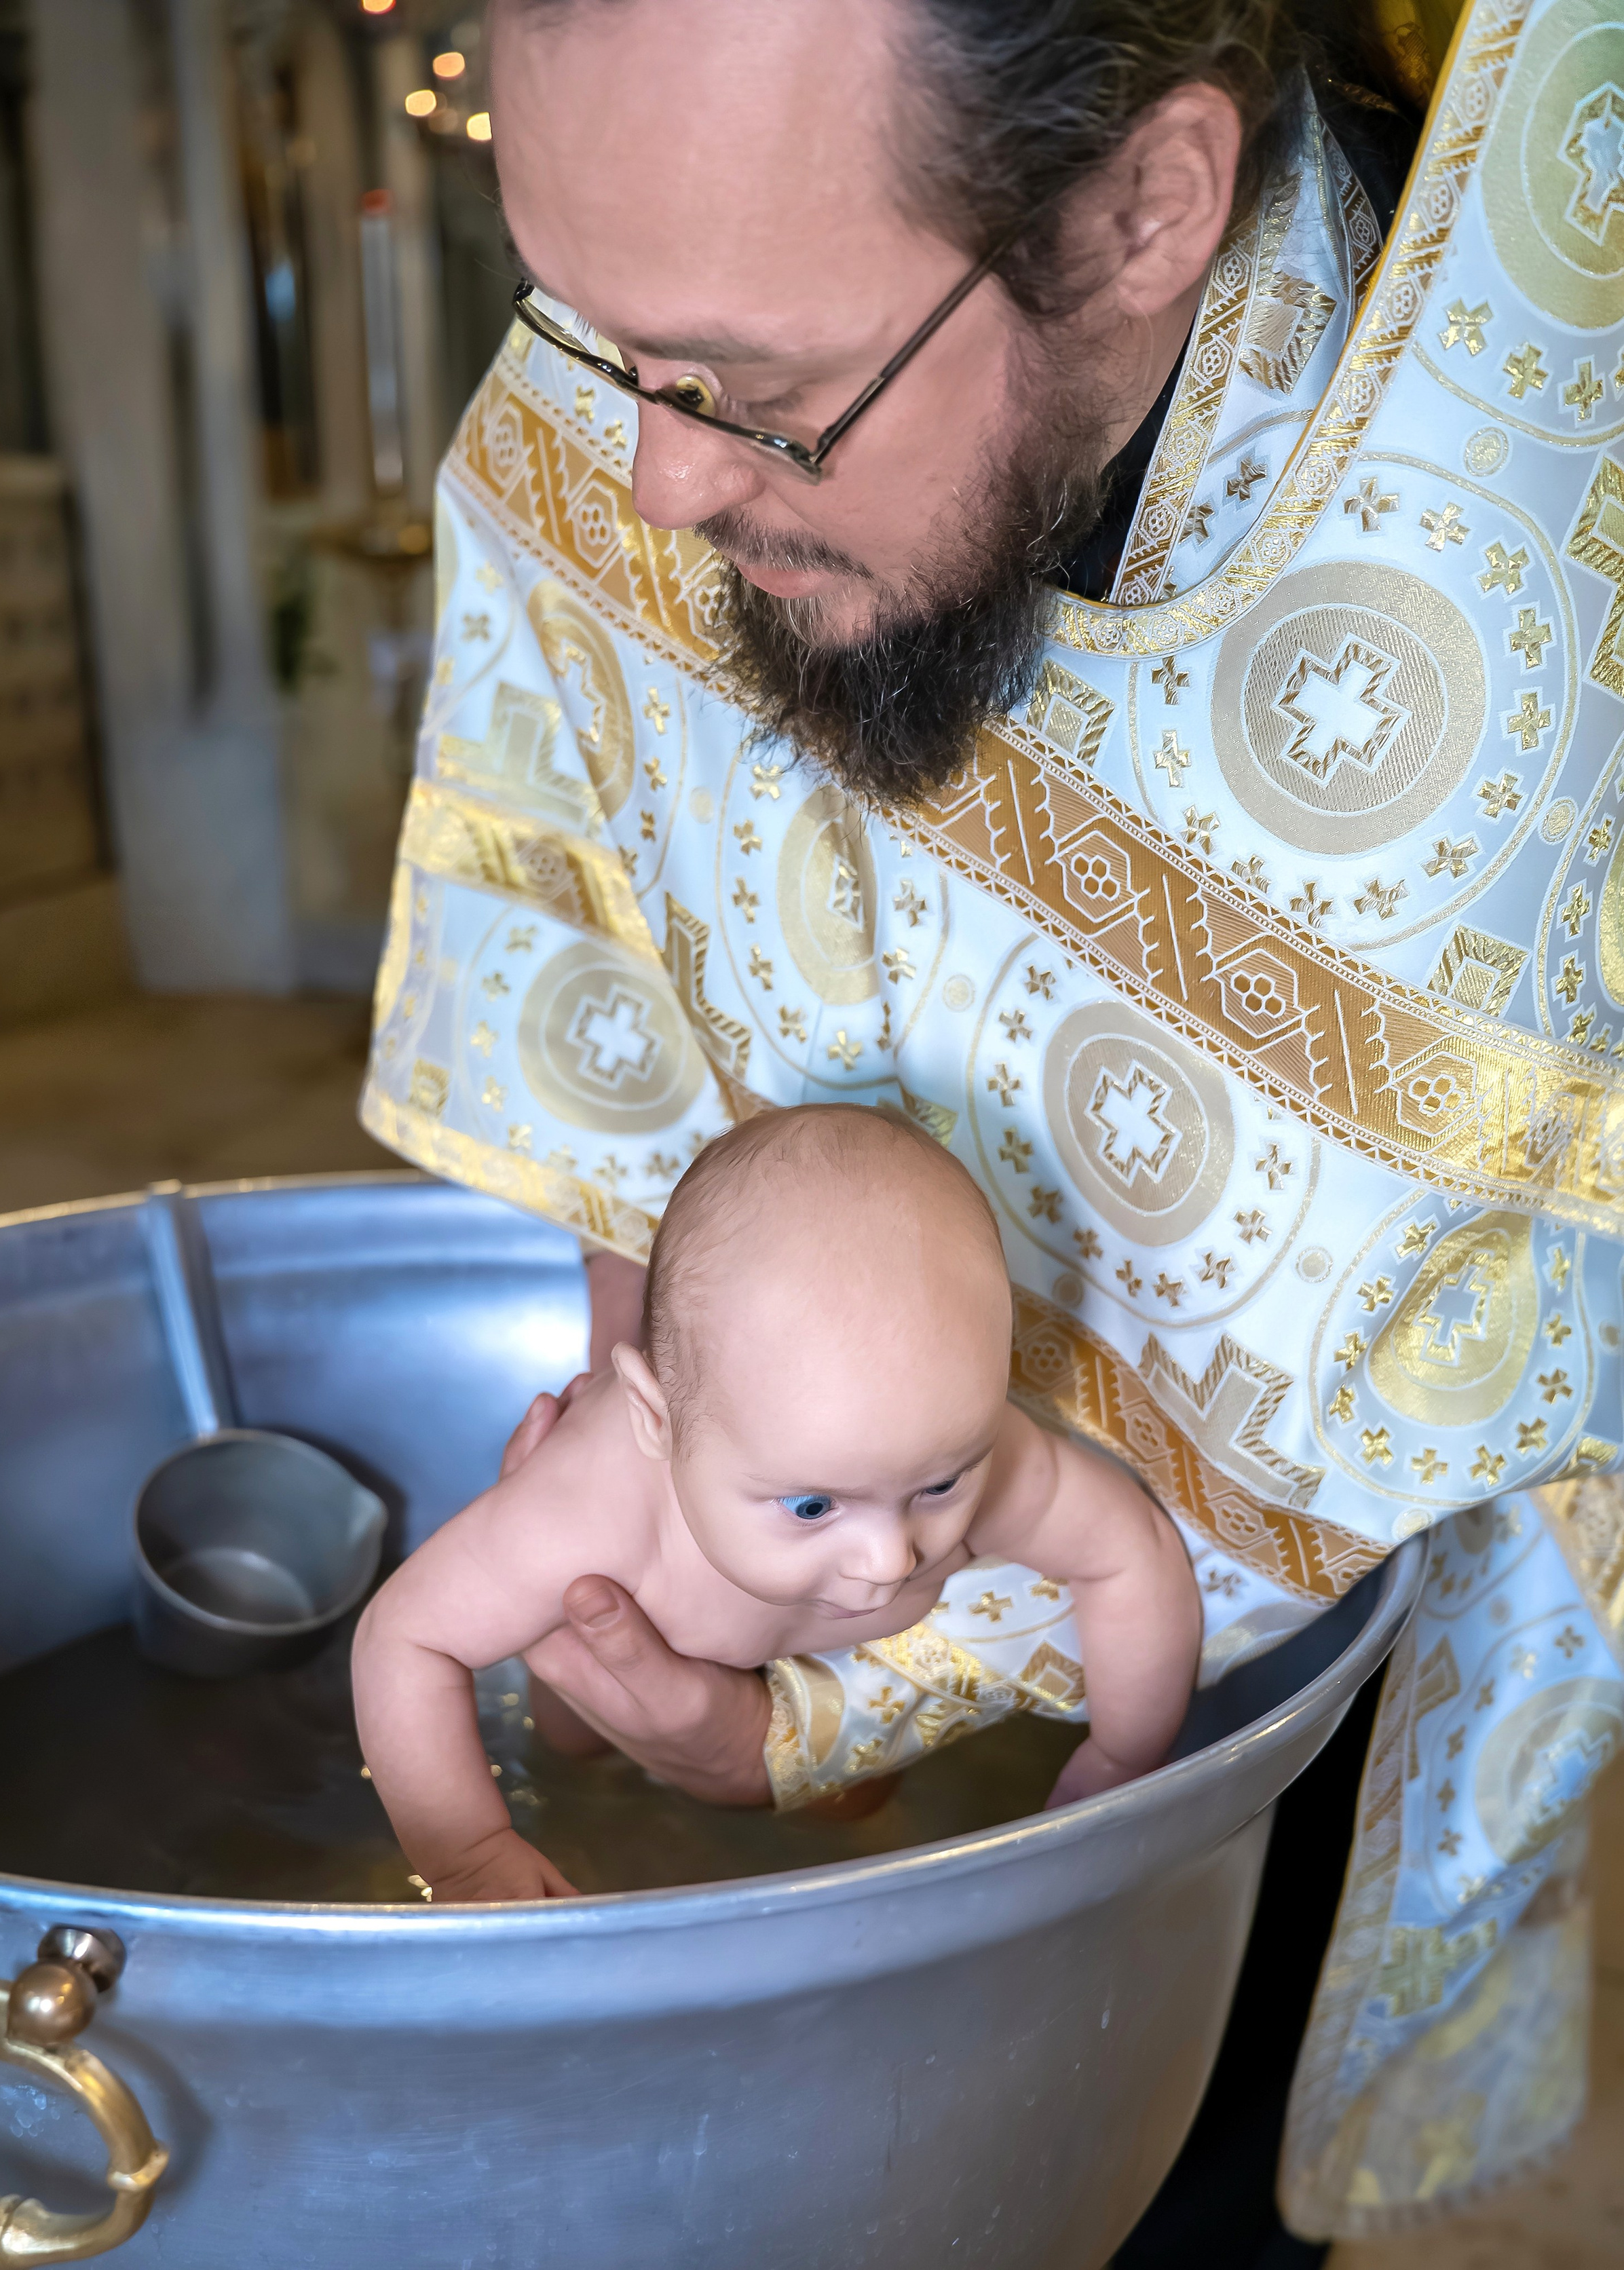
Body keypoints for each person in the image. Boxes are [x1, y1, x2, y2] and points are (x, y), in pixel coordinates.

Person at [360, 0, 1624, 2254]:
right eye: (598, 330)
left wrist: (827, 1713)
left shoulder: (1489, 633)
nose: (661, 479)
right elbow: (598, 876)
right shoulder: (664, 364)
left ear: (1144, 212)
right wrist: (660, 1481)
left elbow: (1301, 1436)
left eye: (757, 395)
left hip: (1251, 1724)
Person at [354, 1105, 1199, 1901]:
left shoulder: (979, 1453)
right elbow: (406, 1637)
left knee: (851, 1790)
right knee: (574, 1714)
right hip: (608, 1612)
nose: (891, 1560)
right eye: (811, 1507)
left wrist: (1123, 1757)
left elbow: (1130, 1553)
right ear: (657, 1421)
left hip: (803, 1654)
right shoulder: (582, 1521)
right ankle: (579, 1761)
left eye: (938, 1486)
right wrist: (467, 1851)